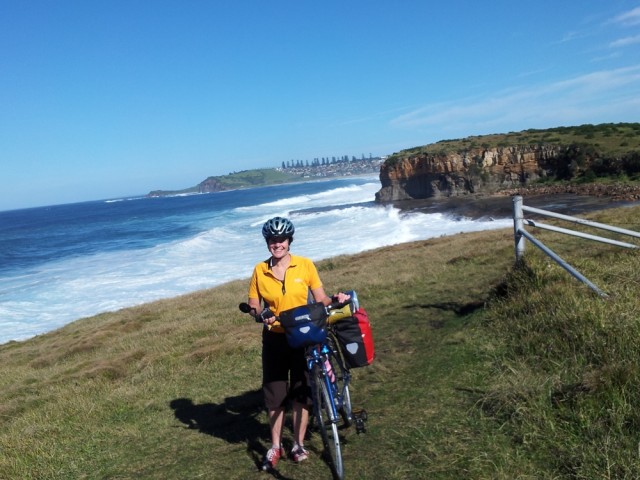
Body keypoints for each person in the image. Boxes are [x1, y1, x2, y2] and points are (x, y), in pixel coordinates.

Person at [247, 216, 350, 471]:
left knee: (302, 390)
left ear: (289, 241)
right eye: (272, 240)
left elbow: (320, 298)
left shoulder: (305, 265)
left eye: (281, 239)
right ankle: (275, 446)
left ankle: (298, 444)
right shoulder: (260, 270)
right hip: (274, 338)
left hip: (302, 335)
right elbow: (253, 304)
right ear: (267, 243)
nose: (277, 244)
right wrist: (259, 314)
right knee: (275, 394)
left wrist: (337, 298)